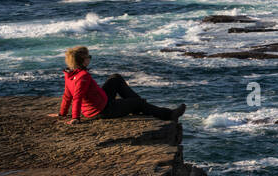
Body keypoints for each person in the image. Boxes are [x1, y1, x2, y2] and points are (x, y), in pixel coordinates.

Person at [56, 46, 186, 123]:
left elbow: (67, 96)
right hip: (102, 110)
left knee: (115, 78)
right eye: (89, 56)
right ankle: (169, 115)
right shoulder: (83, 76)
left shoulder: (69, 75)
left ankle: (138, 104)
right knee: (138, 103)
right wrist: (75, 118)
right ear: (83, 61)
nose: (90, 58)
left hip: (100, 102)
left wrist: (62, 114)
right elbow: (77, 98)